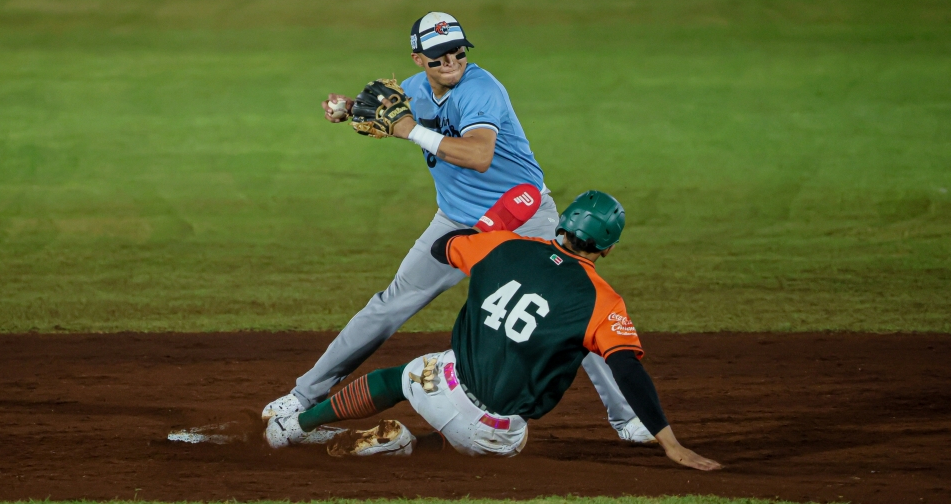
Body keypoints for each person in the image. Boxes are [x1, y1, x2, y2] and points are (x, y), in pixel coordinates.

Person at [262, 12, 653, 443]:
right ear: (418, 59)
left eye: (457, 52)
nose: (450, 61)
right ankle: (304, 395)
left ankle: (628, 418)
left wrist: (410, 131)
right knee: (388, 305)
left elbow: (479, 155)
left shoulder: (481, 90)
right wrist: (349, 108)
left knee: (567, 310)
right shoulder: (415, 89)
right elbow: (387, 110)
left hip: (522, 218)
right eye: (438, 56)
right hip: (454, 222)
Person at [265, 190, 722, 471]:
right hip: (496, 438)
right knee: (505, 423)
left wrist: (489, 226)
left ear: (563, 224)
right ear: (609, 248)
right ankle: (412, 448)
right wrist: (671, 444)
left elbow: (443, 247)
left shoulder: (502, 246)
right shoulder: (604, 301)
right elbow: (628, 372)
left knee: (399, 377)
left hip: (440, 386)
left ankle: (292, 427)